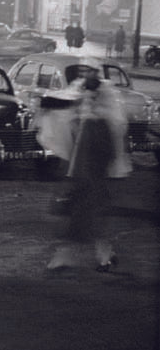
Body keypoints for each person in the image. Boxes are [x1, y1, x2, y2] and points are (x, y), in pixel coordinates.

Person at [43, 68, 131, 272]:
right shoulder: (88, 113)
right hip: (85, 175)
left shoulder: (98, 118)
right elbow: (66, 107)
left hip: (89, 177)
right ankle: (100, 255)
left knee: (85, 216)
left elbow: (109, 142)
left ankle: (89, 256)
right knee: (87, 216)